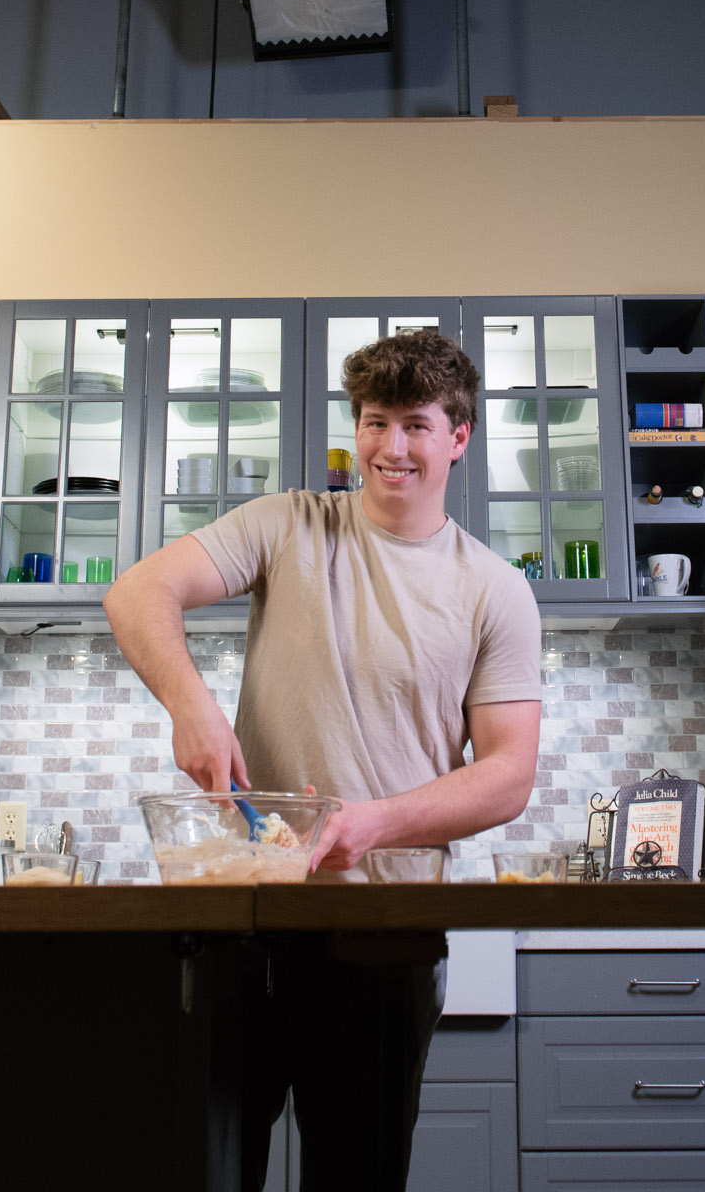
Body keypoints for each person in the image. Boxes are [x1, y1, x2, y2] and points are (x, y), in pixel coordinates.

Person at [104, 327, 542, 1192]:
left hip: (380, 940)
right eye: (375, 422)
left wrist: (374, 824)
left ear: (459, 437)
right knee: (209, 1168)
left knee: (358, 1177)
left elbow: (508, 773)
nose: (391, 447)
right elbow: (137, 591)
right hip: (247, 927)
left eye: (416, 425)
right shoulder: (286, 523)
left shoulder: (495, 589)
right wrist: (192, 708)